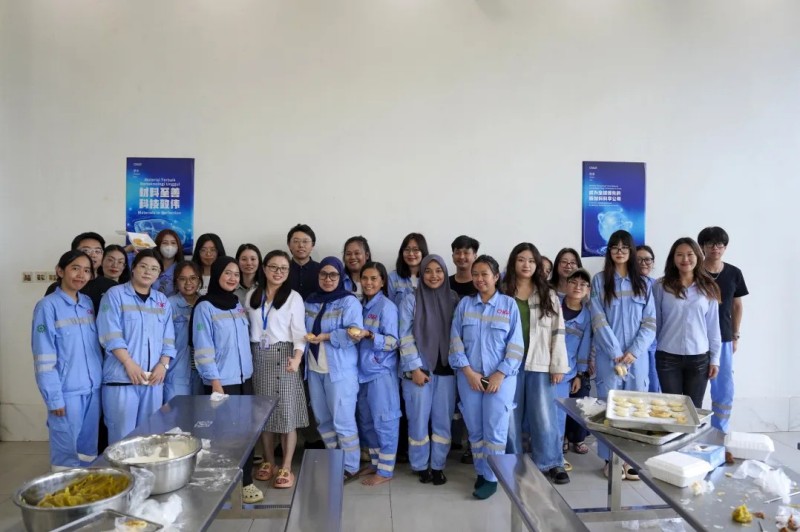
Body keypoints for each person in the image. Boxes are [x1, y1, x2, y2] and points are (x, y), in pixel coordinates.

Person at [449, 255, 524, 499]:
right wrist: (468, 372)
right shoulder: (465, 305)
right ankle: (481, 471)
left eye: (484, 274)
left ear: (496, 277)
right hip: (469, 377)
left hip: (501, 379)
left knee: (495, 430)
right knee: (475, 430)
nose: (479, 279)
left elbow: (516, 345)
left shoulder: (509, 305)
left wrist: (500, 374)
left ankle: (492, 477)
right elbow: (455, 340)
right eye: (475, 274)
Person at [191, 256, 262, 503]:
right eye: (227, 273)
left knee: (246, 433)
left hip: (244, 379)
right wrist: (214, 382)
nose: (232, 278)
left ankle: (246, 482)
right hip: (221, 381)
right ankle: (223, 486)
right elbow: (203, 348)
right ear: (217, 275)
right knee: (222, 436)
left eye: (236, 274)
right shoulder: (204, 306)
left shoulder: (236, 304)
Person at [590, 230, 656, 480]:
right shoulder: (600, 281)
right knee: (609, 408)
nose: (619, 251)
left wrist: (634, 351)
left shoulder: (644, 284)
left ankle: (630, 460)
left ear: (631, 251)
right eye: (615, 247)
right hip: (610, 356)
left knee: (636, 407)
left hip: (636, 359)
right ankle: (610, 460)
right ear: (609, 251)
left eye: (624, 247)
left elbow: (650, 323)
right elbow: (598, 319)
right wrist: (615, 351)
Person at [503, 243, 570, 485]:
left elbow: (558, 331)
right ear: (513, 262)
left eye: (531, 261)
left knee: (544, 414)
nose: (526, 265)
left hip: (539, 362)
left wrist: (558, 365)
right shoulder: (503, 291)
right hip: (507, 365)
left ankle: (551, 462)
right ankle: (512, 461)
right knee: (509, 416)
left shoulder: (547, 294)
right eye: (521, 259)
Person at [32, 250, 103, 470]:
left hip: (93, 389)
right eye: (75, 268)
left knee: (88, 452)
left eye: (86, 270)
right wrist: (54, 398)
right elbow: (44, 357)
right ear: (60, 271)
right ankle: (65, 490)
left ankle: (87, 488)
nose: (81, 275)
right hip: (67, 392)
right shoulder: (47, 306)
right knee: (66, 455)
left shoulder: (87, 303)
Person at [97, 250, 176, 444]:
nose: (148, 272)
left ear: (159, 274)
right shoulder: (115, 295)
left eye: (154, 269)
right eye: (143, 266)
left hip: (153, 381)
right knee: (122, 440)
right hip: (121, 380)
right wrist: (128, 363)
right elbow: (110, 334)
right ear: (133, 268)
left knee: (149, 438)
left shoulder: (162, 301)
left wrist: (163, 365)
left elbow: (168, 339)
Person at [246, 251, 308, 489]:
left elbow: (300, 333)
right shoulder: (253, 295)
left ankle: (286, 466)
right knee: (264, 414)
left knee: (286, 413)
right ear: (264, 268)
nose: (278, 272)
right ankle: (269, 462)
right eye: (274, 267)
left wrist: (297, 358)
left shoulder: (293, 297)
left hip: (285, 357)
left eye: (284, 268)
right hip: (258, 358)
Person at [398, 254, 458, 486]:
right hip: (419, 371)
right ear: (421, 274)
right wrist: (414, 367)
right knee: (418, 420)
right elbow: (404, 336)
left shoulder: (453, 299)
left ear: (445, 272)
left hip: (447, 371)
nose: (434, 276)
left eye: (439, 271)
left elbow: (459, 333)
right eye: (428, 271)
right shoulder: (410, 300)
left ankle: (438, 466)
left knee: (443, 422)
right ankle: (421, 465)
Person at [304, 257, 364, 480]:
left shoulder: (349, 302)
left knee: (343, 420)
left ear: (341, 277)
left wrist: (327, 336)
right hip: (314, 368)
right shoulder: (310, 301)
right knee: (323, 419)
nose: (328, 279)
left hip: (340, 371)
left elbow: (355, 334)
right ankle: (333, 458)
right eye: (323, 274)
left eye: (333, 275)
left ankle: (350, 466)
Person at [653, 237, 721, 408]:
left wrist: (715, 359)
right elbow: (656, 322)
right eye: (680, 255)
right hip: (667, 356)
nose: (685, 259)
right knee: (671, 409)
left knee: (693, 408)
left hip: (699, 358)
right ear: (673, 258)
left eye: (690, 254)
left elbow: (713, 327)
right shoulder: (661, 286)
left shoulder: (708, 287)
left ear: (698, 256)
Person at [350, 262, 401, 486]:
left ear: (382, 282)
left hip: (381, 372)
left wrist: (370, 335)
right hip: (361, 373)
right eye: (365, 278)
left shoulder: (387, 307)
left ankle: (386, 470)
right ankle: (375, 462)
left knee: (385, 420)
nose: (368, 283)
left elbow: (393, 342)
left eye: (373, 278)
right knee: (367, 420)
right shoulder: (359, 305)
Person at [698, 226, 749, 433]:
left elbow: (737, 306)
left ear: (725, 247)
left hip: (724, 338)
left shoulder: (734, 273)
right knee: (694, 389)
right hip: (696, 339)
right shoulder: (693, 271)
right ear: (702, 246)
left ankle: (720, 432)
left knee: (724, 389)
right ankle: (690, 436)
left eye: (720, 244)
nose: (715, 248)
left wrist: (736, 335)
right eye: (710, 244)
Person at [559, 269, 592, 458]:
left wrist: (580, 374)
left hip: (568, 371)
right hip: (546, 368)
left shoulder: (586, 316)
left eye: (583, 284)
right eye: (573, 282)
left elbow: (584, 347)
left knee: (567, 407)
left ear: (588, 290)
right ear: (566, 284)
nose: (578, 287)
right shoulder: (554, 305)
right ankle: (557, 439)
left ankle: (568, 438)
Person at [45, 232, 117, 312]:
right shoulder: (57, 288)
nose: (93, 255)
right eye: (86, 250)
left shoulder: (112, 287)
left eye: (97, 251)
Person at [165, 261, 202, 402]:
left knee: (201, 413)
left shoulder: (205, 303)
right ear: (176, 281)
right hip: (176, 372)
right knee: (176, 413)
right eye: (182, 279)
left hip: (202, 372)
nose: (188, 283)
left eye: (193, 278)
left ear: (199, 280)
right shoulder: (169, 304)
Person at [636, 245, 660, 393]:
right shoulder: (627, 285)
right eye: (638, 260)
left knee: (654, 386)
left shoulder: (659, 285)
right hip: (635, 343)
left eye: (647, 259)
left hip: (656, 344)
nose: (643, 263)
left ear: (653, 262)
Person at [388, 233, 428, 306]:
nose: (411, 253)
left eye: (416, 250)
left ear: (423, 252)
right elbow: (390, 306)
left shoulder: (430, 277)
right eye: (407, 249)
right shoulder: (393, 277)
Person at [288, 224, 320, 300]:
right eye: (296, 241)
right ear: (289, 245)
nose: (301, 245)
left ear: (312, 245)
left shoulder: (321, 270)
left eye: (305, 241)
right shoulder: (282, 270)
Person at [152, 229, 184, 297]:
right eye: (165, 243)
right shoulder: (150, 265)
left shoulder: (182, 269)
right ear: (158, 245)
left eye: (173, 243)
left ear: (178, 246)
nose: (169, 246)